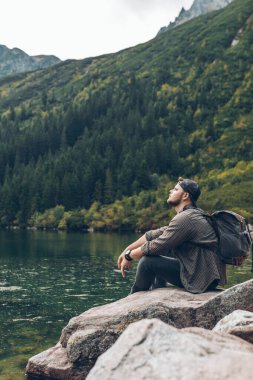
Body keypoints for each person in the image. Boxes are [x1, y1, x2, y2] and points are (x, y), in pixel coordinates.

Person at [117, 177, 227, 294]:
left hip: (201, 278)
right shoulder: (192, 214)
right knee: (157, 252)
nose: (170, 191)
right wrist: (126, 250)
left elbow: (158, 245)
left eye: (175, 189)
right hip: (204, 273)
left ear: (185, 196)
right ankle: (155, 293)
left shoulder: (186, 218)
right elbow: (154, 234)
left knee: (147, 262)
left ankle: (134, 299)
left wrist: (129, 256)